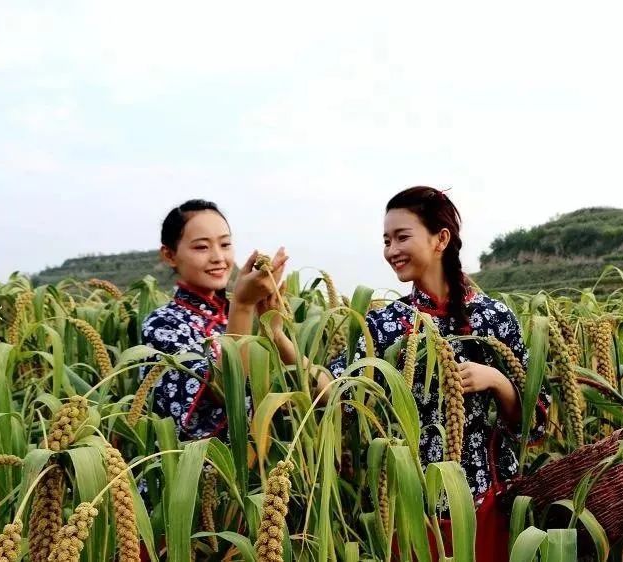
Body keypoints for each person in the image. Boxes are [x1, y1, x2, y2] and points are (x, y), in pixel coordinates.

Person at [269, 187, 549, 560]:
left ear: (441, 239)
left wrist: (496, 381)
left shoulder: (493, 317)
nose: (391, 250)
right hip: (410, 500)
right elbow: (337, 392)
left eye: (402, 237)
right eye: (386, 241)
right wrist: (276, 334)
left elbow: (535, 417)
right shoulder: (386, 324)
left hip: (484, 498)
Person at [139, 199, 287, 440]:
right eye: (201, 247)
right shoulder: (161, 325)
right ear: (169, 254)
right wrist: (243, 305)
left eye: (225, 244)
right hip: (197, 472)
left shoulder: (242, 313)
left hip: (257, 471)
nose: (218, 257)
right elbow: (225, 391)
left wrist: (273, 330)